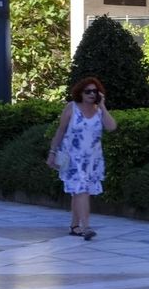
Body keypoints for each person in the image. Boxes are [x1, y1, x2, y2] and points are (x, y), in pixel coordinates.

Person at [46, 77, 117, 240]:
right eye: (88, 91)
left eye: (95, 91)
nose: (91, 94)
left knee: (78, 193)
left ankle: (75, 226)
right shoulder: (71, 108)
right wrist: (52, 152)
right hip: (72, 159)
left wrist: (103, 106)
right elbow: (60, 131)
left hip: (92, 160)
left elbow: (112, 127)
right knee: (81, 190)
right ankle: (86, 227)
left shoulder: (99, 111)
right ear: (80, 93)